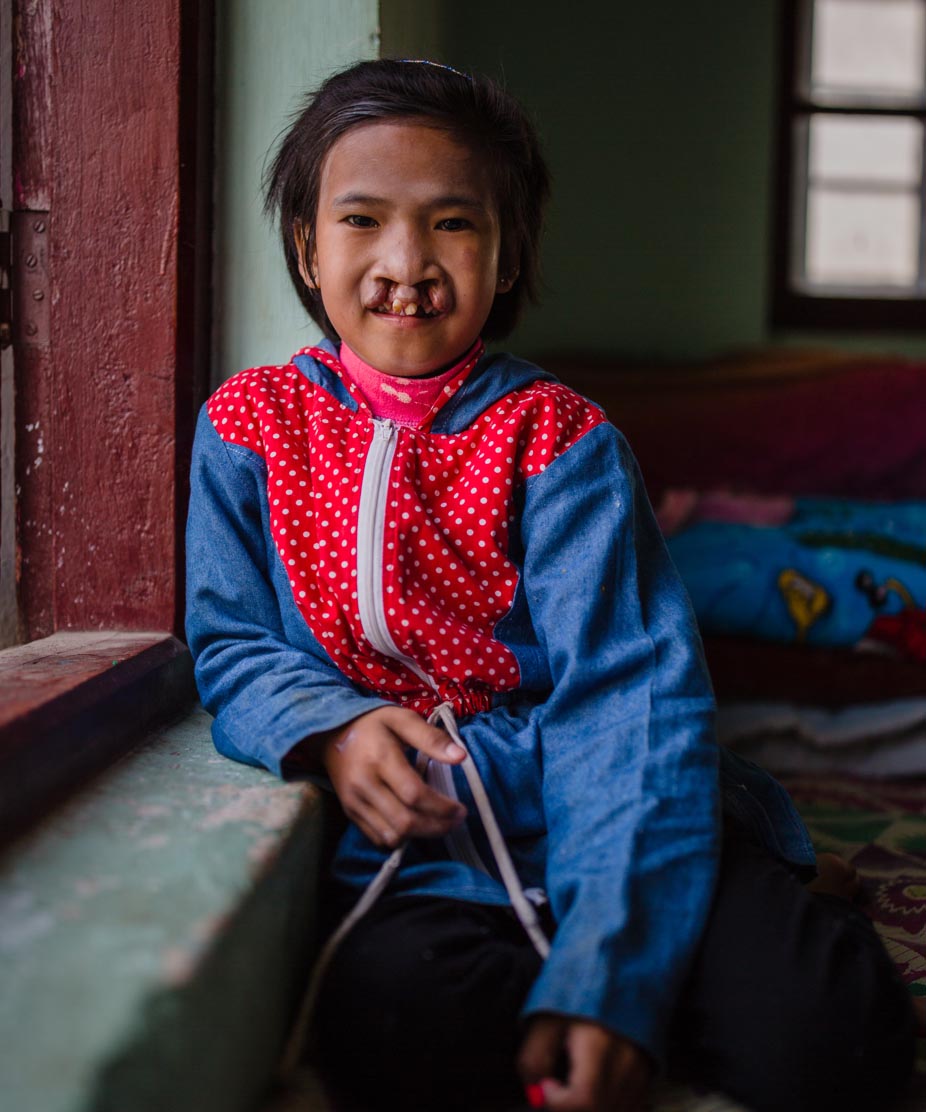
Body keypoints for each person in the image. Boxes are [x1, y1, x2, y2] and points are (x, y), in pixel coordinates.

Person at [185, 59, 916, 1112]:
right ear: (306, 245)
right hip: (422, 844)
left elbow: (626, 700)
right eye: (360, 220)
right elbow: (230, 640)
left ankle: (754, 894)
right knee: (389, 1026)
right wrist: (331, 727)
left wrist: (608, 982)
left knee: (833, 1036)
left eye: (452, 223)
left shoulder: (560, 441)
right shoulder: (248, 427)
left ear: (509, 250)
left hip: (606, 801)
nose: (405, 262)